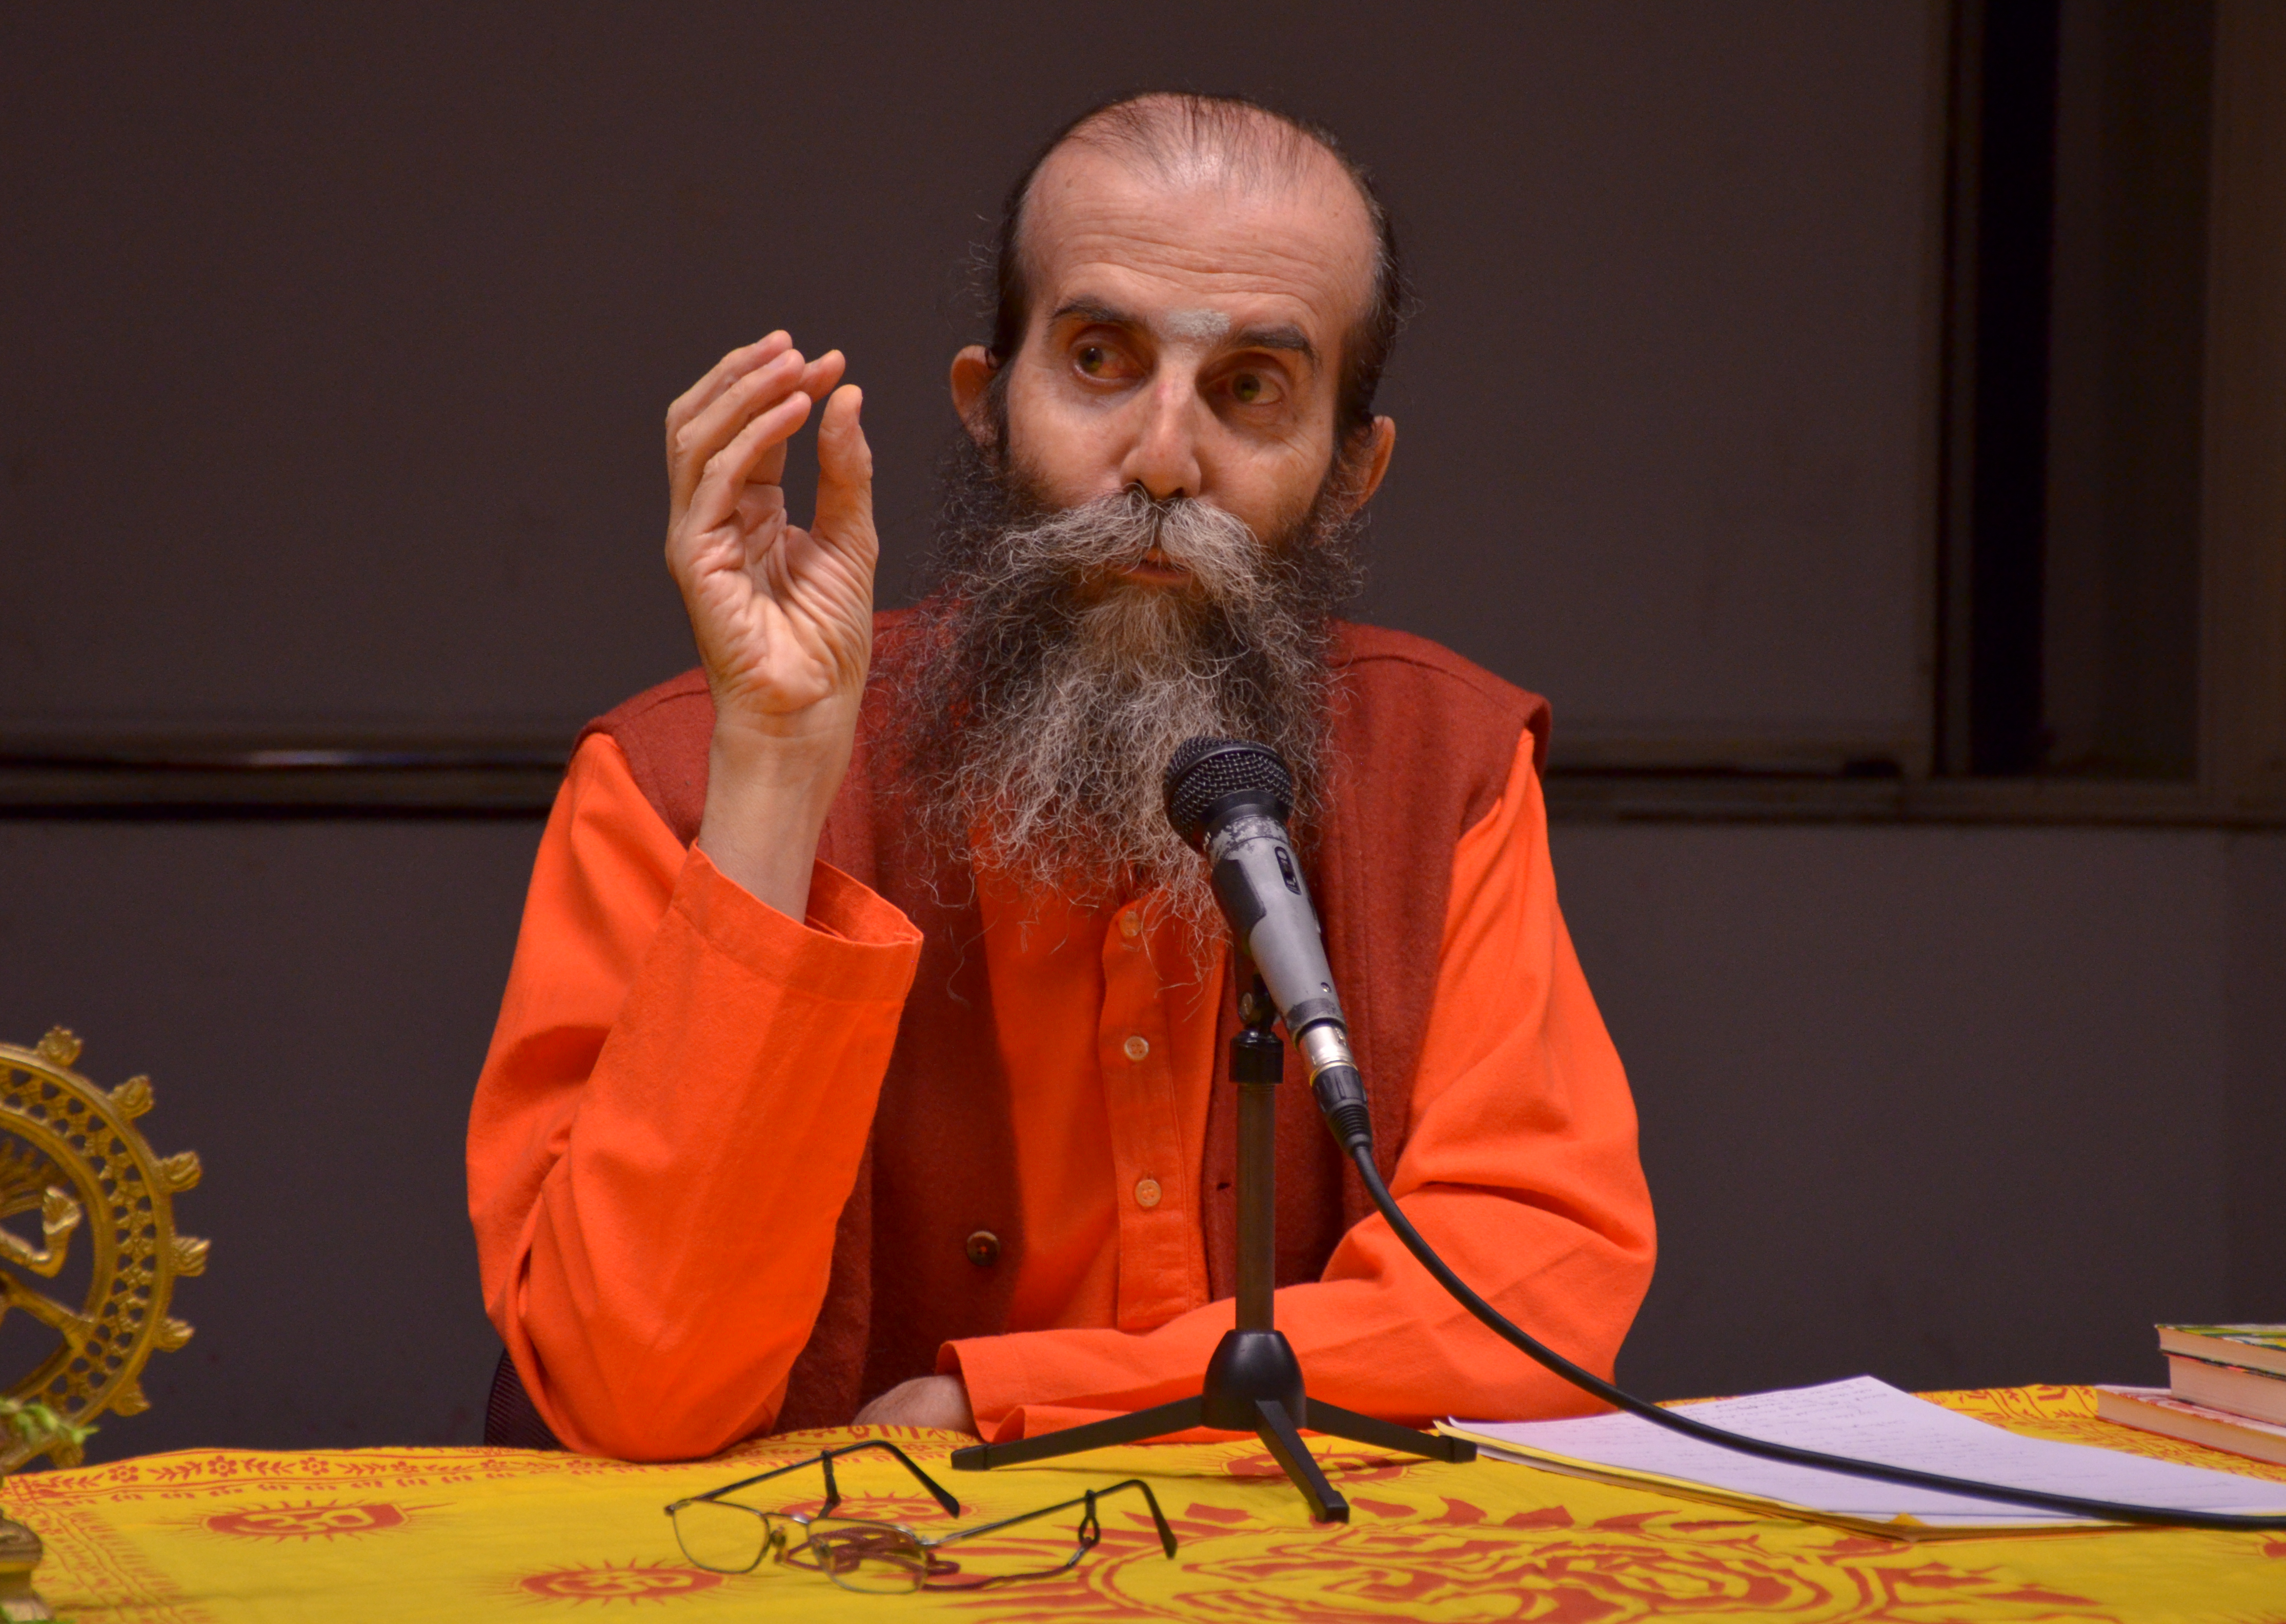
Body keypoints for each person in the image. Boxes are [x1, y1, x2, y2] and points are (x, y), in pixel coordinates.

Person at [468, 93, 1656, 1461]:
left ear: (1349, 473)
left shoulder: (1442, 768)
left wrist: (1033, 1397)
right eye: (1099, 359)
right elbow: (634, 1389)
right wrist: (782, 771)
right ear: (988, 405)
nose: (1161, 460)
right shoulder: (677, 775)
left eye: (1252, 389)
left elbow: (1530, 1303)